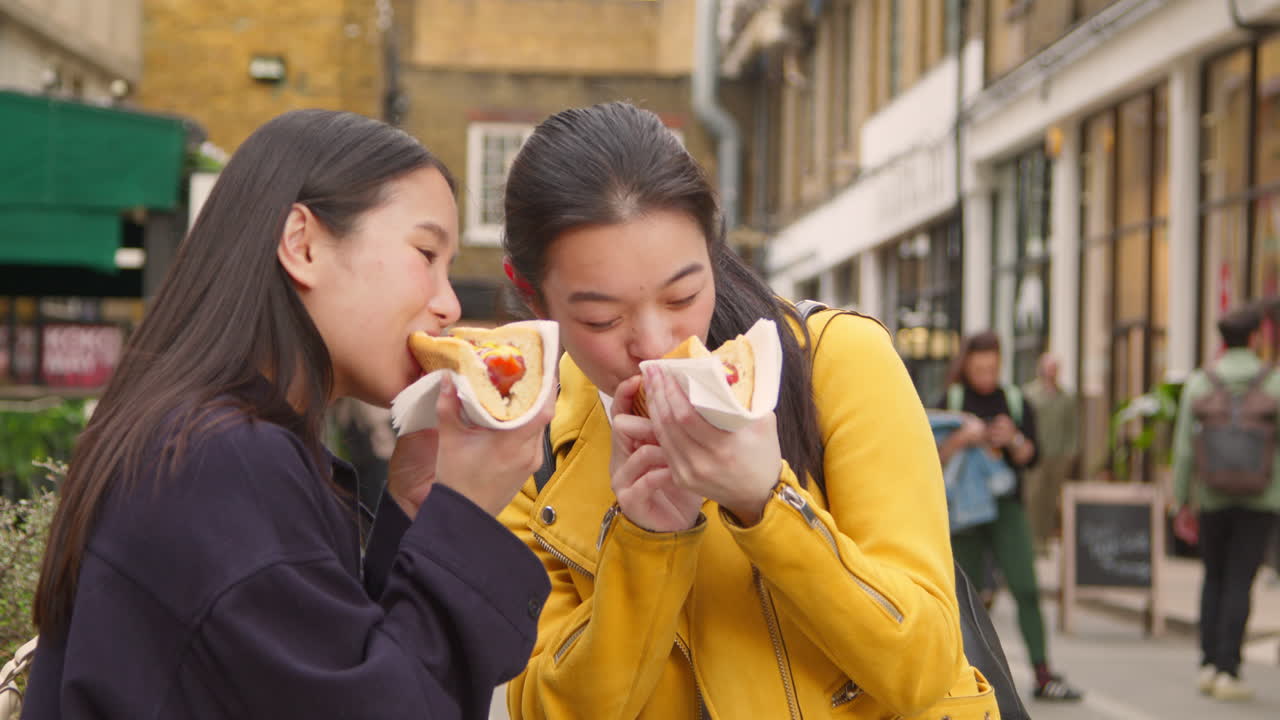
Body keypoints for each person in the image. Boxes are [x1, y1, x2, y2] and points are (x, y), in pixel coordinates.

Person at [23, 110, 552, 719]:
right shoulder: (220, 462)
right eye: (426, 253)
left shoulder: (202, 440)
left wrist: (415, 509)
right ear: (301, 243)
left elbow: (318, 671)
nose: (449, 303)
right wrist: (467, 516)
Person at [497, 101, 998, 719]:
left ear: (713, 250)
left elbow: (925, 667)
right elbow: (549, 709)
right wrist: (648, 540)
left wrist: (767, 503)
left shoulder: (836, 363)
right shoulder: (531, 447)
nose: (654, 343)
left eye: (683, 294)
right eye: (603, 318)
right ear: (531, 295)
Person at [935, 331, 1082, 702]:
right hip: (963, 513)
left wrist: (1012, 438)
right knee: (962, 598)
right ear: (966, 364)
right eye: (979, 367)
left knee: (1026, 587)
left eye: (992, 367)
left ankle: (1043, 674)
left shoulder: (1015, 401)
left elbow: (1031, 458)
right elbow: (929, 458)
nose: (986, 374)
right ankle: (958, 680)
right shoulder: (950, 400)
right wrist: (961, 439)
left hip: (1005, 508)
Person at [1172, 305, 1280, 702]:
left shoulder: (1201, 383)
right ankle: (1228, 669)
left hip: (1212, 497)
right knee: (1240, 580)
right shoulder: (1274, 384)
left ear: (1221, 340)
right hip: (1261, 498)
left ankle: (1207, 663)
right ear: (1255, 338)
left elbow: (1184, 450)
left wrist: (1180, 500)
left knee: (1213, 577)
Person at [1022, 352, 1080, 555]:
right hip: (1036, 455)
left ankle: (1045, 540)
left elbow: (1072, 427)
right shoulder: (1029, 394)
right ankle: (1032, 541)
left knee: (1050, 499)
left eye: (1055, 368)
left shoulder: (1067, 397)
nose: (1051, 372)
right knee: (1034, 497)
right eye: (1048, 367)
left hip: (1058, 455)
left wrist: (1071, 452)